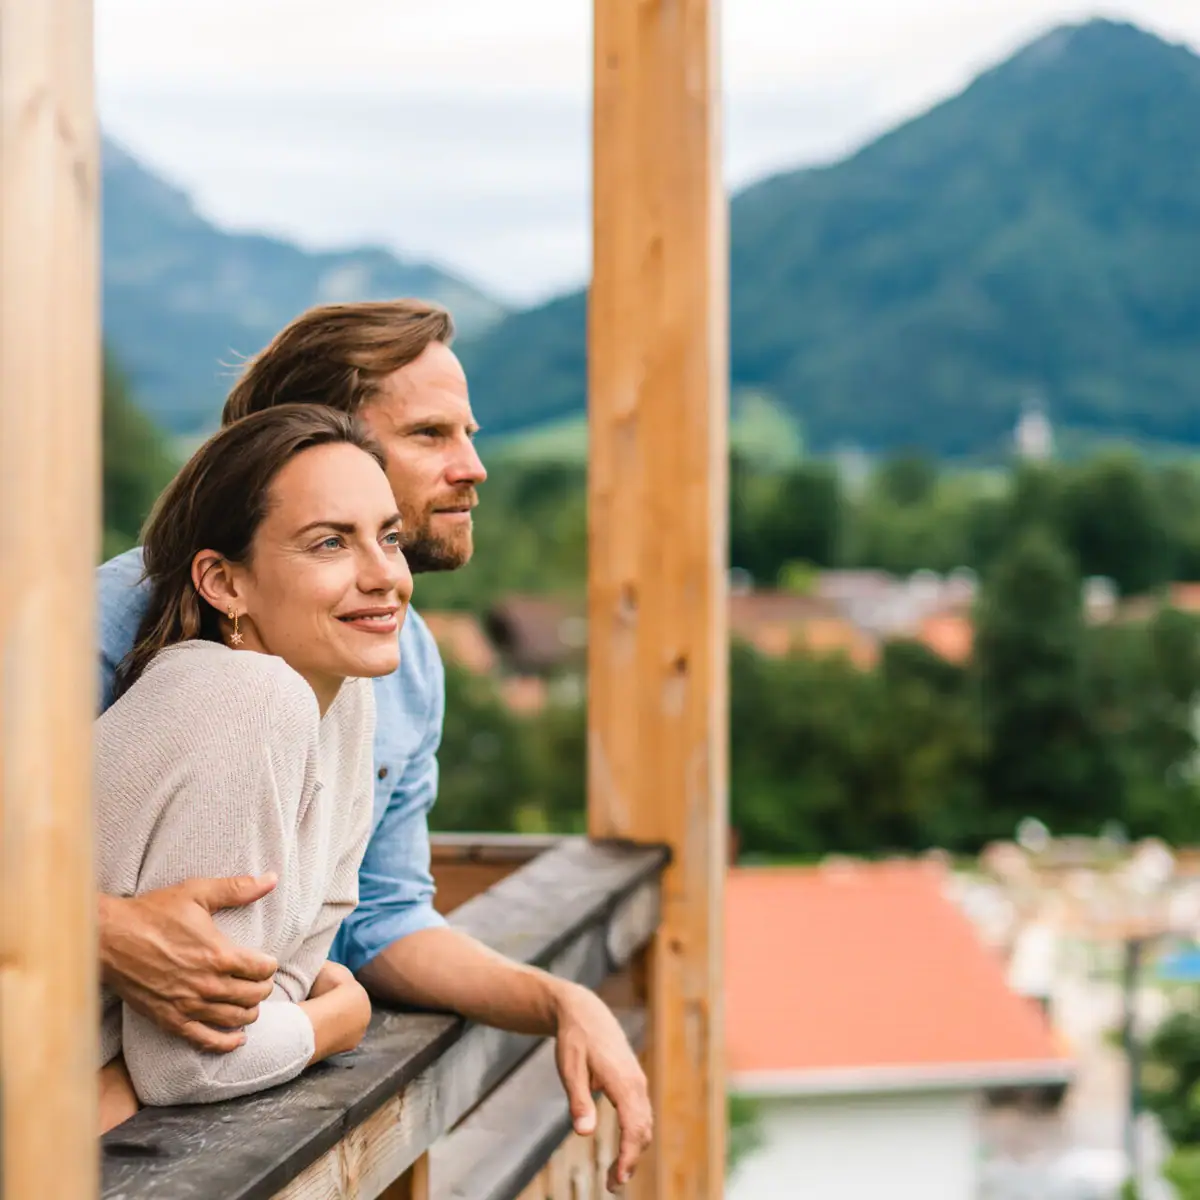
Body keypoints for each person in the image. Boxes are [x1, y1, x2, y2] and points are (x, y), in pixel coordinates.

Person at [96, 300, 651, 1190]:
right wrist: (94, 929)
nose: (472, 467)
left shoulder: (385, 667)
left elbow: (379, 920)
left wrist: (556, 998)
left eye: (466, 432)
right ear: (317, 442)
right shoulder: (105, 629)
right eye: (431, 433)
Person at [97, 404, 412, 1132]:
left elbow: (289, 976)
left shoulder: (346, 696)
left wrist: (296, 1008)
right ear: (224, 583)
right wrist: (346, 1016)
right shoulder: (245, 695)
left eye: (387, 537)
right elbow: (196, 1061)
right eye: (331, 543)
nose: (384, 576)